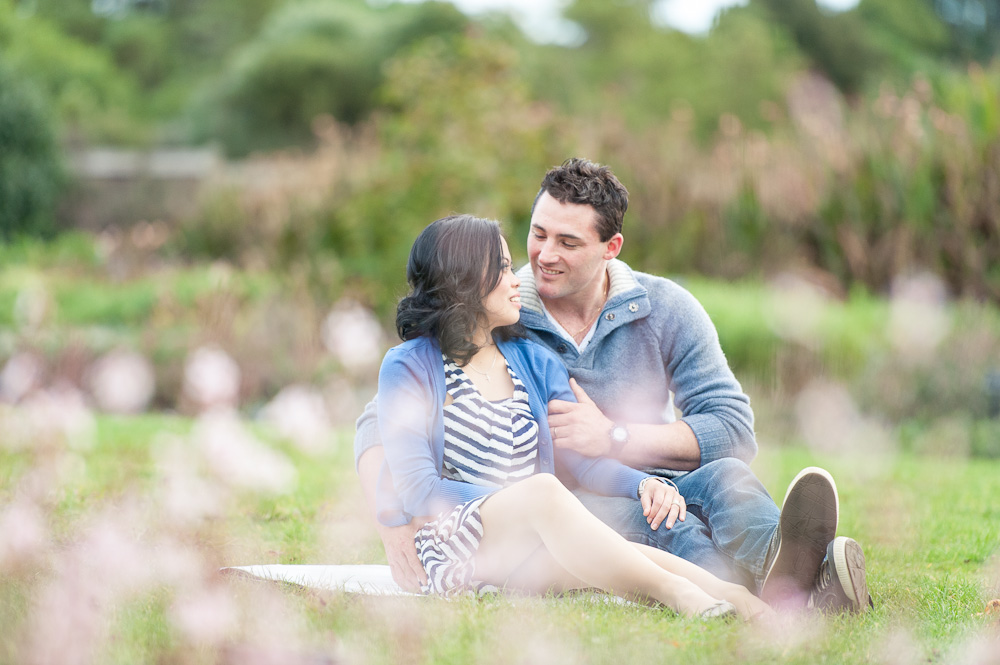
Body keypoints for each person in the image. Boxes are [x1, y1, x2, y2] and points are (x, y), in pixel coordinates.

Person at [357, 158, 871, 614]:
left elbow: (733, 429)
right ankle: (768, 596)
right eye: (537, 235)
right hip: (568, 503)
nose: (542, 257)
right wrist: (391, 521)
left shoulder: (660, 309)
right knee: (672, 526)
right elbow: (381, 423)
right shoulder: (509, 319)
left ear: (611, 247)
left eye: (569, 242)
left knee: (727, 477)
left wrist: (619, 442)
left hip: (627, 475)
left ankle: (800, 575)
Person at [373, 213, 772, 619]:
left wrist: (643, 484)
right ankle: (682, 597)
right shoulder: (409, 367)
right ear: (463, 279)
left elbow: (584, 464)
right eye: (504, 268)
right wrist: (523, 503)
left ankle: (739, 597)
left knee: (621, 552)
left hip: (533, 541)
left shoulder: (534, 362)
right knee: (546, 492)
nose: (517, 280)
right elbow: (419, 490)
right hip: (455, 546)